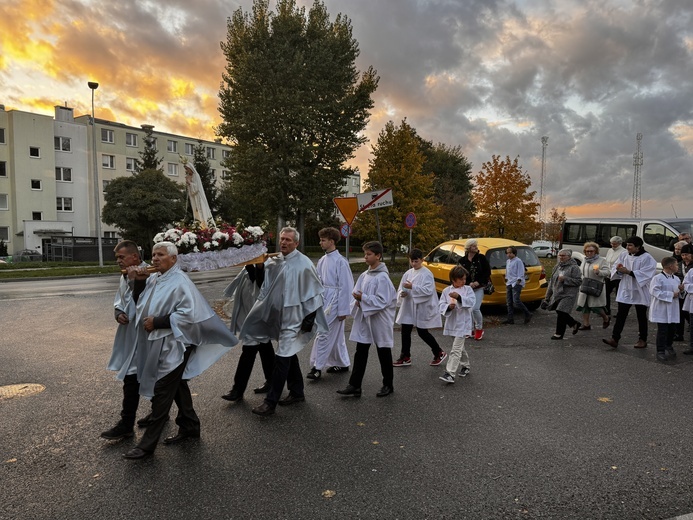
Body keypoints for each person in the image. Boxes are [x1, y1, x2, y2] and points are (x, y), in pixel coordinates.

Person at [122, 242, 239, 460]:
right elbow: (141, 304)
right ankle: (190, 425)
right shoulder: (156, 277)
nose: (155, 258)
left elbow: (190, 314)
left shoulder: (180, 281)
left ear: (174, 259)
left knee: (163, 392)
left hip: (176, 344)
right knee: (177, 385)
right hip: (160, 342)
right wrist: (137, 282)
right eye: (154, 254)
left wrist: (158, 322)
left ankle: (147, 445)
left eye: (161, 255)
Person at [243, 227, 328, 417]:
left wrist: (308, 319)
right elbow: (262, 283)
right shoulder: (274, 261)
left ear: (296, 243)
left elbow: (315, 294)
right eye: (282, 239)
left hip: (295, 318)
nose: (284, 242)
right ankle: (297, 392)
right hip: (279, 317)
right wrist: (257, 266)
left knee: (281, 358)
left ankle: (270, 402)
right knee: (289, 353)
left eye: (288, 240)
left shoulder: (304, 264)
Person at [101, 241, 150, 441]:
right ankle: (127, 423)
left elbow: (144, 301)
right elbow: (120, 299)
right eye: (117, 258)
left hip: (146, 335)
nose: (118, 261)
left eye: (121, 257)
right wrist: (118, 311)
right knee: (132, 377)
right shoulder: (125, 273)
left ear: (135, 257)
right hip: (130, 335)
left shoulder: (148, 273)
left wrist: (133, 281)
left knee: (154, 374)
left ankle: (162, 415)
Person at [337, 241, 397, 398]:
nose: (366, 257)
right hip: (365, 317)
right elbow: (356, 291)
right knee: (361, 351)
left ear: (378, 256)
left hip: (379, 319)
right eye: (365, 254)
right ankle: (355, 385)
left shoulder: (383, 277)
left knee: (383, 351)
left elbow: (383, 301)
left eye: (369, 254)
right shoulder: (364, 275)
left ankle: (388, 384)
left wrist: (363, 297)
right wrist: (357, 300)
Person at [220, 264, 274, 401]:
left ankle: (238, 389)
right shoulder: (248, 268)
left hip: (258, 318)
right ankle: (272, 382)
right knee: (265, 348)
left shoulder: (265, 267)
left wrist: (257, 268)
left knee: (249, 351)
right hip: (250, 317)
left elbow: (262, 285)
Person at [306, 227, 352, 380]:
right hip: (324, 300)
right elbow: (317, 281)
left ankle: (317, 367)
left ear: (332, 242)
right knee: (336, 335)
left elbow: (346, 287)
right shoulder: (323, 260)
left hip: (335, 302)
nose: (320, 243)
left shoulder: (341, 261)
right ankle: (342, 362)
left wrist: (343, 310)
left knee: (323, 333)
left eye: (323, 240)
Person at [602, 236, 657, 349]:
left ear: (638, 247)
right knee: (621, 315)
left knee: (641, 316)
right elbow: (615, 267)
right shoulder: (624, 255)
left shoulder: (647, 258)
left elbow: (648, 273)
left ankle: (642, 339)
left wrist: (630, 272)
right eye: (627, 245)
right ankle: (615, 338)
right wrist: (619, 270)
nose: (627, 247)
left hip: (640, 289)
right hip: (626, 288)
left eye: (630, 245)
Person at [393, 248, 445, 367]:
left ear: (422, 260)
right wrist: (402, 293)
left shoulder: (427, 273)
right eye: (412, 261)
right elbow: (402, 287)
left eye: (416, 261)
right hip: (409, 306)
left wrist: (413, 287)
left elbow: (428, 290)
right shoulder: (409, 273)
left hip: (421, 306)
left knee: (422, 332)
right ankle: (405, 356)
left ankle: (438, 352)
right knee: (405, 330)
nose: (414, 264)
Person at [438, 266, 476, 384]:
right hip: (452, 322)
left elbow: (471, 302)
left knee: (455, 349)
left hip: (463, 323)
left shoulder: (468, 289)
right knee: (459, 347)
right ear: (453, 280)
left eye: (465, 279)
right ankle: (466, 365)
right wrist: (448, 307)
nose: (464, 282)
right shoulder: (446, 291)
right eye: (461, 279)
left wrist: (459, 298)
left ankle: (450, 373)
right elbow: (441, 305)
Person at [543, 249, 582, 340]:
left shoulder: (574, 267)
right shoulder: (557, 266)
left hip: (569, 294)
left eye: (563, 255)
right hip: (558, 293)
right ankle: (574, 323)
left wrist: (566, 279)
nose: (561, 257)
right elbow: (551, 282)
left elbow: (578, 281)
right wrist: (547, 297)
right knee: (560, 311)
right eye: (560, 255)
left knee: (561, 311)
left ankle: (559, 333)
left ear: (569, 257)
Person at [458, 239, 491, 340]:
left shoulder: (481, 258)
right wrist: (468, 283)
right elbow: (459, 274)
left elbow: (487, 272)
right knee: (468, 309)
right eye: (474, 246)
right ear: (468, 248)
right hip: (467, 288)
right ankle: (470, 329)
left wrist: (478, 282)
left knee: (475, 308)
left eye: (476, 246)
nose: (476, 248)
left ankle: (479, 329)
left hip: (479, 288)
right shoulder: (462, 261)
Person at [649, 257, 681, 362]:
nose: (678, 267)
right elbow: (655, 291)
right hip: (662, 308)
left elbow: (679, 294)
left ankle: (669, 345)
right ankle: (660, 350)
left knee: (672, 329)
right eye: (676, 265)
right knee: (662, 330)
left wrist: (681, 291)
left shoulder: (676, 279)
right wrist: (671, 295)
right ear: (670, 266)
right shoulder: (657, 278)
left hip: (673, 308)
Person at [576, 242, 610, 330]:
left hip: (595, 286)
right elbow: (581, 271)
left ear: (596, 251)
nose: (589, 253)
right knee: (584, 306)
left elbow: (608, 272)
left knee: (596, 307)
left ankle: (606, 318)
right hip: (585, 285)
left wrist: (599, 272)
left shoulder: (602, 260)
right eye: (587, 251)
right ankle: (586, 324)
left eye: (591, 251)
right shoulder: (584, 260)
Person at [503, 246, 532, 325]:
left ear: (514, 253)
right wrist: (506, 278)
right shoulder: (508, 261)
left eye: (510, 253)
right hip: (509, 282)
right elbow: (507, 271)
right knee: (509, 301)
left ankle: (527, 313)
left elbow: (521, 272)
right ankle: (510, 318)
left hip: (516, 282)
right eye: (507, 253)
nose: (509, 255)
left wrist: (518, 281)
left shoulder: (518, 261)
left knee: (516, 300)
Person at [183, 162, 214, 228]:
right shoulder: (189, 176)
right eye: (185, 169)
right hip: (194, 197)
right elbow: (191, 190)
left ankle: (205, 224)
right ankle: (198, 224)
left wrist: (189, 182)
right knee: (196, 211)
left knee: (201, 210)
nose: (186, 170)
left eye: (187, 168)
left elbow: (196, 188)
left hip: (199, 197)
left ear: (191, 168)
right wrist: (188, 184)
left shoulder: (196, 175)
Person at [604, 236, 626, 316]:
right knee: (606, 293)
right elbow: (607, 261)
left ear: (619, 243)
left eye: (614, 244)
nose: (612, 245)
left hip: (618, 276)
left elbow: (622, 264)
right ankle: (606, 310)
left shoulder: (624, 252)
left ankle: (620, 312)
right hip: (609, 275)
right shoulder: (610, 250)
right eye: (611, 243)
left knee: (619, 294)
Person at [676, 244, 693, 342]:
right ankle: (679, 334)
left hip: (690, 293)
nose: (684, 257)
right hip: (682, 292)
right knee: (680, 313)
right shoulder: (679, 264)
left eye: (687, 254)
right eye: (683, 255)